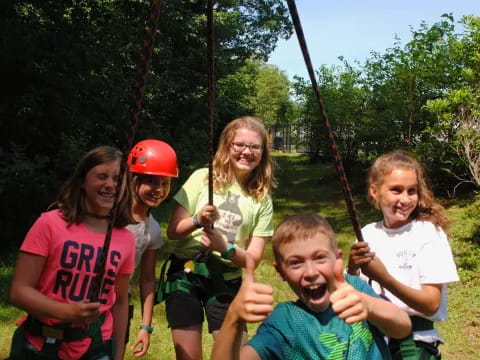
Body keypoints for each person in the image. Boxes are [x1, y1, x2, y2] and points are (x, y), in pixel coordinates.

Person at [211, 213, 412, 360]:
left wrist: (368, 306)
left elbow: (402, 327)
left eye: (320, 258)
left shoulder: (355, 290)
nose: (311, 272)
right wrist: (233, 319)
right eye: (296, 263)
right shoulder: (284, 322)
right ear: (280, 272)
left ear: (337, 259)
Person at [8, 145, 136, 360]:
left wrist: (118, 354)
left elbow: (121, 302)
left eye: (117, 179)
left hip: (96, 347)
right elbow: (19, 292)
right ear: (83, 182)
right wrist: (67, 312)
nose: (110, 185)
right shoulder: (50, 224)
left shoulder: (125, 239)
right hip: (41, 346)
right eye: (101, 176)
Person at [162, 116, 275, 360]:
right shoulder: (203, 178)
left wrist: (225, 248)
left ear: (263, 152)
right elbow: (173, 232)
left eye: (255, 146)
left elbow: (253, 259)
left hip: (226, 278)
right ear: (227, 146)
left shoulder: (261, 198)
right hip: (187, 272)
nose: (247, 152)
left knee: (233, 356)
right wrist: (197, 221)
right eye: (239, 145)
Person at [347, 150, 459, 359]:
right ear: (375, 191)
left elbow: (430, 304)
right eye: (396, 190)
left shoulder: (428, 233)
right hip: (372, 341)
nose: (405, 199)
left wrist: (384, 278)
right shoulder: (367, 233)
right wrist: (352, 268)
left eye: (411, 191)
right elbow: (351, 293)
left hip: (413, 344)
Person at [126, 139, 178, 357]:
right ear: (134, 180)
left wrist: (145, 326)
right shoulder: (108, 217)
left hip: (119, 304)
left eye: (165, 183)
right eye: (152, 182)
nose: (159, 190)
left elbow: (147, 279)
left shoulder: (152, 229)